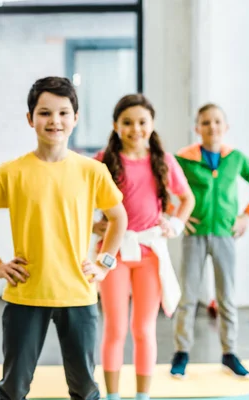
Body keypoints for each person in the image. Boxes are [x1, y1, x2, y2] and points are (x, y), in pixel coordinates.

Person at [0, 76, 128, 400]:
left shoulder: (92, 171)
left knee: (85, 389)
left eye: (62, 112)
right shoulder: (10, 172)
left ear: (75, 117)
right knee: (13, 388)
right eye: (45, 113)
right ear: (30, 119)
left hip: (79, 293)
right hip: (25, 294)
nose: (54, 121)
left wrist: (104, 264)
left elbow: (119, 218)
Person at [92, 94, 195, 400]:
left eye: (142, 122)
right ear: (115, 125)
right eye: (127, 122)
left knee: (144, 329)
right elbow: (79, 200)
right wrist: (91, 224)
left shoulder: (162, 160)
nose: (135, 128)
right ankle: (112, 396)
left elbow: (186, 199)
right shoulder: (102, 160)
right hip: (113, 252)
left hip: (150, 253)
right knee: (115, 327)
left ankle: (142, 396)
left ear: (152, 124)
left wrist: (175, 224)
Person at [170, 103, 249, 379]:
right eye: (206, 122)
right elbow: (163, 184)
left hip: (225, 234)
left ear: (225, 127)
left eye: (217, 122)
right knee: (188, 297)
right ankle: (182, 352)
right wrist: (177, 215)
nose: (212, 127)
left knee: (226, 297)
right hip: (194, 235)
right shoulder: (184, 159)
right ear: (197, 128)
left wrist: (246, 215)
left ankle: (229, 353)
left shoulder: (236, 158)